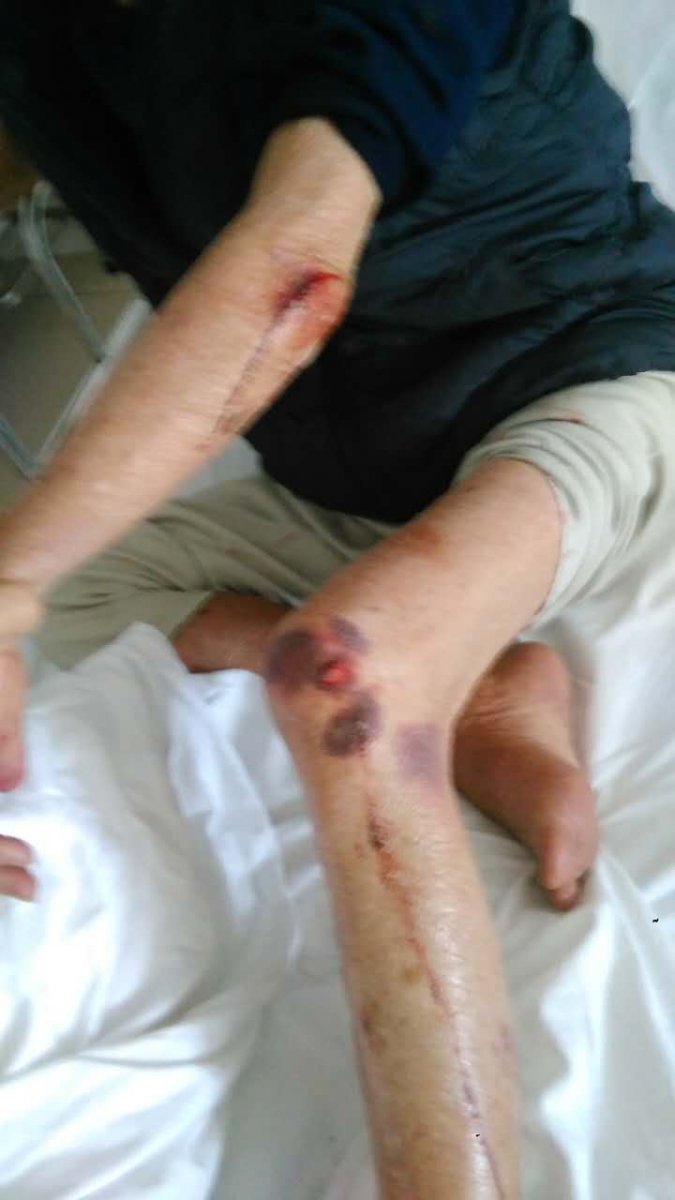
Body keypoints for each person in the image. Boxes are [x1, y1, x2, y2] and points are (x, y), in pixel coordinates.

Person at [1, 1, 675, 1193]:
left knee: (349, 675)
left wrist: (10, 589)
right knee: (100, 587)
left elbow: (291, 270)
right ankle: (485, 686)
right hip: (349, 487)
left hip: (587, 380)